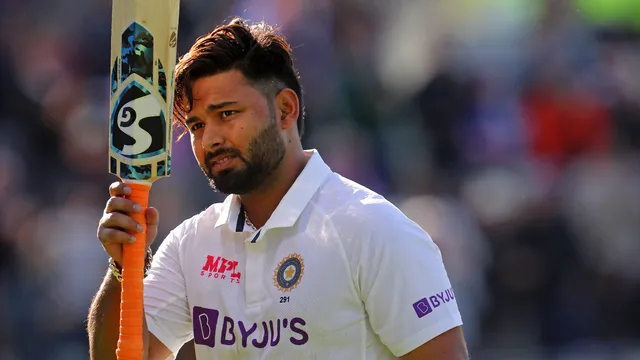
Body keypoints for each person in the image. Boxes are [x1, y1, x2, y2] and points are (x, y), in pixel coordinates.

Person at [88, 17, 469, 360]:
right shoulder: (190, 244)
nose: (211, 139)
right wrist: (124, 266)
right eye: (197, 125)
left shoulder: (375, 229)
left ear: (286, 110)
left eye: (227, 114)